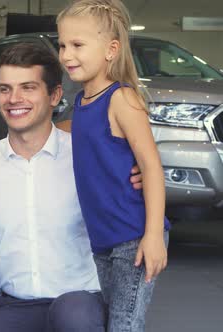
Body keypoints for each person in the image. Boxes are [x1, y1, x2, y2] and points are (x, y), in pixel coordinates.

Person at [0, 42, 143, 332]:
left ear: (54, 96)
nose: (14, 99)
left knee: (72, 314)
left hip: (81, 304)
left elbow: (141, 164)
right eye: (5, 89)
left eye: (28, 88)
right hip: (16, 306)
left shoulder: (87, 155)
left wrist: (138, 173)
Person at [57, 0, 170, 330]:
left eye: (77, 45)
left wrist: (152, 237)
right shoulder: (81, 102)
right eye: (62, 45)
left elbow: (151, 166)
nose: (66, 54)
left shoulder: (121, 99)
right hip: (103, 241)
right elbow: (81, 135)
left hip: (134, 238)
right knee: (111, 323)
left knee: (124, 326)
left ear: (111, 49)